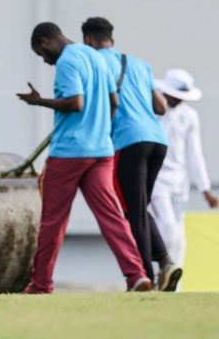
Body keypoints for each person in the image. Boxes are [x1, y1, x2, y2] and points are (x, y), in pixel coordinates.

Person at [16, 22, 150, 293]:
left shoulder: (67, 61)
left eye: (42, 55)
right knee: (112, 217)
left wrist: (39, 101)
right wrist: (100, 130)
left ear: (45, 42)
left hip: (69, 152)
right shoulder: (97, 58)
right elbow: (113, 102)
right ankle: (137, 275)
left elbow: (75, 103)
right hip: (101, 152)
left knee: (53, 220)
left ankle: (41, 284)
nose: (45, 61)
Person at [81, 17, 180, 291]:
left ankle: (143, 277)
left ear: (88, 40)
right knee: (138, 207)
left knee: (130, 211)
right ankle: (166, 262)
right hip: (158, 141)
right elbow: (160, 107)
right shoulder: (139, 64)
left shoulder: (94, 62)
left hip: (127, 140)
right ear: (111, 38)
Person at [151, 69, 218, 280]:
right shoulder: (153, 110)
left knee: (179, 236)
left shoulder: (189, 116)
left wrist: (205, 188)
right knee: (167, 228)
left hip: (180, 182)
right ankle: (158, 274)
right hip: (157, 180)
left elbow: (194, 153)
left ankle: (174, 285)